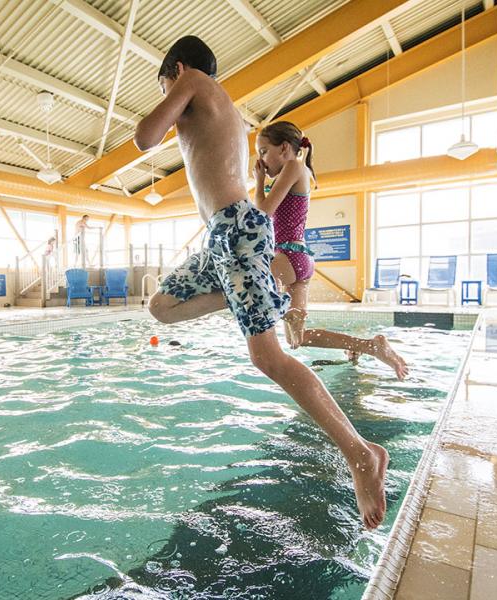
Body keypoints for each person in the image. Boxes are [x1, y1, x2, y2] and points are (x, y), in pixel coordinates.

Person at [137, 36, 388, 530]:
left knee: (268, 357)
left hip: (236, 229)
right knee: (161, 307)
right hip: (222, 236)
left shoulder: (193, 81)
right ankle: (248, 299)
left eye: (165, 82)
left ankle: (361, 455)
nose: (169, 90)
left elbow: (146, 137)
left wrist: (171, 92)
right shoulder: (219, 104)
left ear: (178, 68)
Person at [253, 121, 409, 380]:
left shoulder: (294, 166)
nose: (261, 160)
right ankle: (369, 345)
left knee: (245, 284)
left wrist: (258, 182)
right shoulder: (294, 172)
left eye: (263, 151)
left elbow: (262, 212)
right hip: (297, 259)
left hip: (287, 257)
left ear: (283, 149)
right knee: (298, 339)